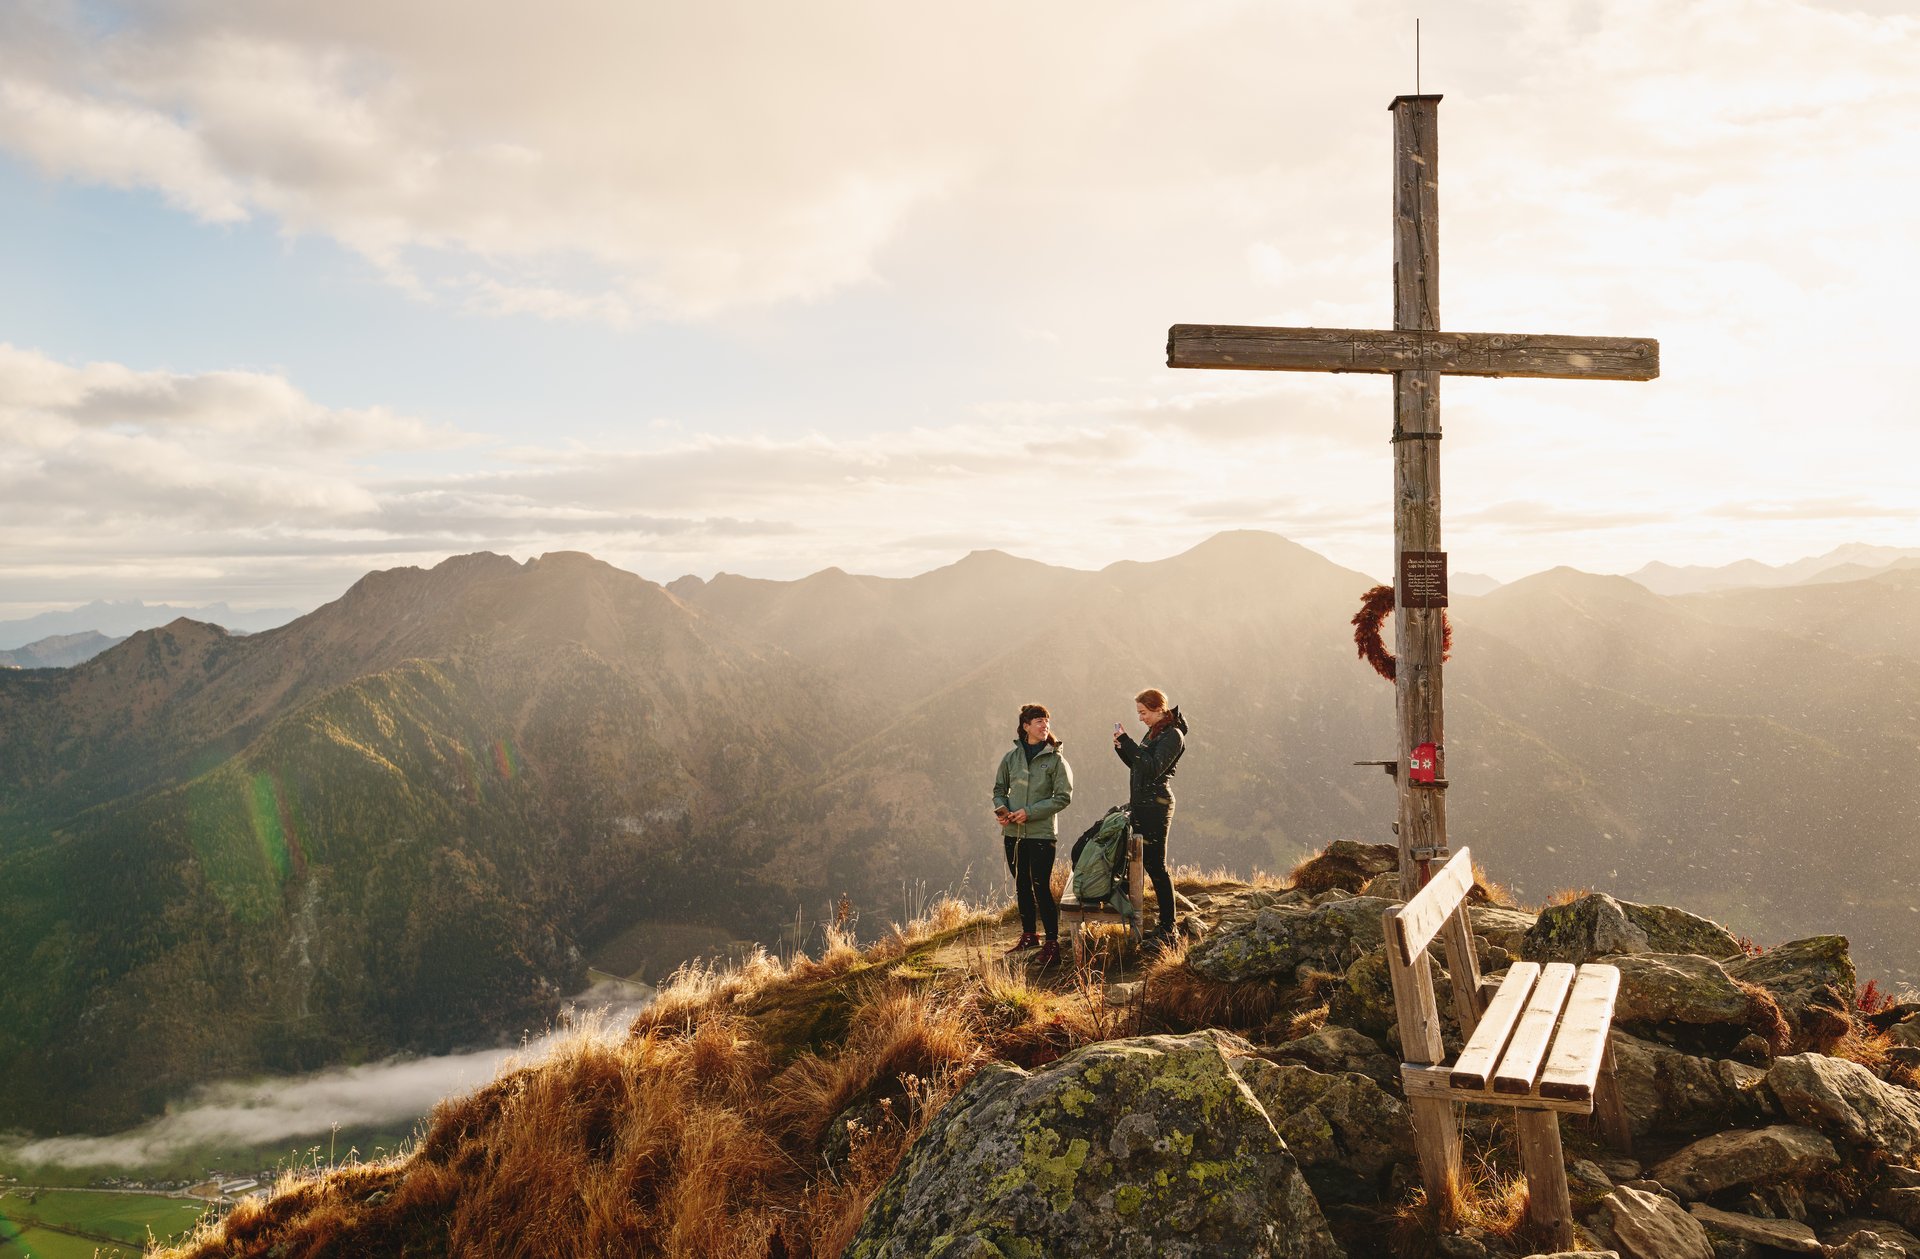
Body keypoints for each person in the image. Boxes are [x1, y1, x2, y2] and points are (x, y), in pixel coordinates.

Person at [993, 703, 1073, 967]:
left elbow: (1063, 798)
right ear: (1025, 726)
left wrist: (1029, 812)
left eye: (1046, 721)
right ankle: (1029, 935)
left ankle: (1052, 943)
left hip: (1041, 833)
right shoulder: (1010, 758)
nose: (1044, 725)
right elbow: (998, 789)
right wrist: (1002, 809)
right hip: (1013, 833)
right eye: (1038, 721)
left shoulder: (1056, 759)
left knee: (1040, 885)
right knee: (1021, 885)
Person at [1113, 687, 1188, 946]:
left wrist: (1130, 744)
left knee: (1157, 866)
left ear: (1159, 709)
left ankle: (1169, 929)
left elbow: (1154, 769)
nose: (1141, 718)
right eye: (1139, 713)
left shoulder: (1173, 735)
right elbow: (1140, 766)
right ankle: (1162, 924)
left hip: (1157, 806)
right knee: (1145, 863)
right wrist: (1123, 748)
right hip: (1144, 804)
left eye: (1144, 712)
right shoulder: (1155, 731)